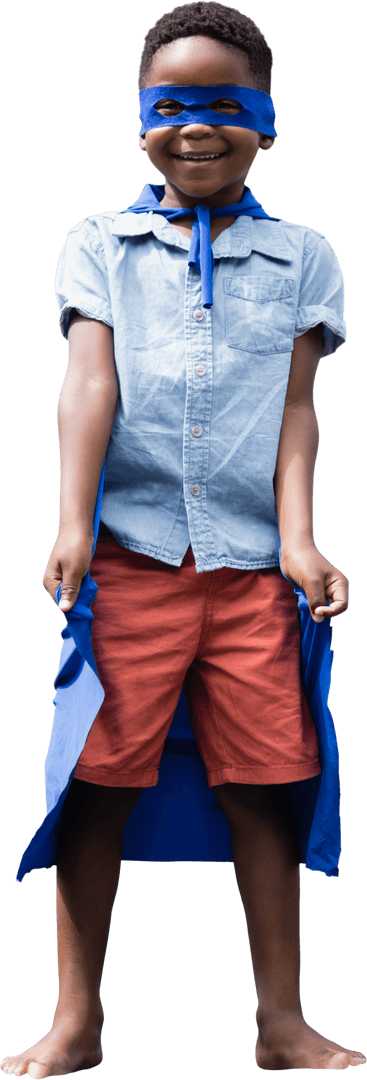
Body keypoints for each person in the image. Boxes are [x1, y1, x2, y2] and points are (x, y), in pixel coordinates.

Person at [2, 2, 366, 1074]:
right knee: (95, 782)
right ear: (140, 121)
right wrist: (72, 525)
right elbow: (88, 384)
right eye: (170, 106)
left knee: (264, 781)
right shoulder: (97, 245)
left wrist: (300, 539)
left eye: (221, 105)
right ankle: (77, 1018)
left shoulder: (303, 256)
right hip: (131, 559)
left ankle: (280, 1021)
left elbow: (297, 411)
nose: (194, 128)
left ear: (264, 121)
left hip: (251, 569)